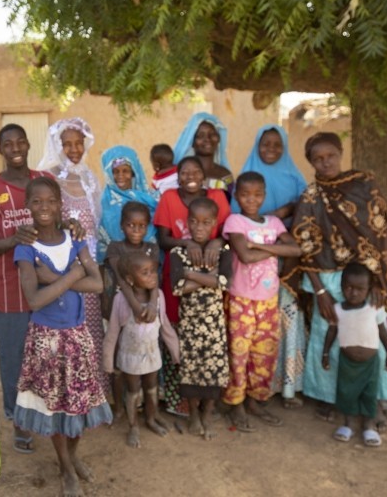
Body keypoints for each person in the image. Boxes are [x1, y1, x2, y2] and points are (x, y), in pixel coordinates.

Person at [291, 131, 387, 426]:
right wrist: (320, 292)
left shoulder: (365, 185)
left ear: (341, 153)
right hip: (327, 279)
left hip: (365, 278)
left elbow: (381, 235)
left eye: (330, 156)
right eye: (318, 159)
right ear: (311, 163)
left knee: (367, 337)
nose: (325, 163)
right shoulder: (312, 196)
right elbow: (304, 248)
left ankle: (373, 397)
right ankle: (330, 397)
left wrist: (377, 282)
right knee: (328, 338)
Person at [12, 177, 111, 497]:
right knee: (56, 409)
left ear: (60, 204)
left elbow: (98, 285)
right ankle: (66, 468)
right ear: (28, 207)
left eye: (50, 201)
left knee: (79, 405)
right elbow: (35, 300)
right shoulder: (26, 247)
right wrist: (72, 274)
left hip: (77, 334)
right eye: (36, 202)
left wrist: (52, 278)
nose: (44, 207)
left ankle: (73, 455)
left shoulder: (75, 237)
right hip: (46, 339)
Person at [0, 123, 55, 455]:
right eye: (9, 143)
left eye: (21, 141)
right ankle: (20, 423)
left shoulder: (44, 183)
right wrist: (13, 239)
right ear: (0, 148)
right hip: (9, 295)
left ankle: (47, 416)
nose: (16, 147)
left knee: (47, 359)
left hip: (49, 292)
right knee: (14, 363)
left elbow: (58, 226)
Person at [233, 125, 309, 409]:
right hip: (247, 278)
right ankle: (241, 397)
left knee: (278, 329)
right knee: (244, 341)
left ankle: (282, 385)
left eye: (278, 145)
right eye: (265, 144)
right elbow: (236, 227)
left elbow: (304, 205)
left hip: (284, 264)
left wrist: (280, 214)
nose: (271, 149)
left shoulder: (293, 176)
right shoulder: (247, 175)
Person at [221, 172, 301, 432]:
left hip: (268, 301)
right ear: (237, 196)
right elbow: (244, 256)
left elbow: (296, 250)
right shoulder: (235, 221)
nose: (251, 199)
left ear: (264, 195)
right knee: (239, 353)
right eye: (245, 194)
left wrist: (261, 247)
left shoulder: (275, 223)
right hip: (241, 299)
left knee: (264, 353)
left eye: (257, 194)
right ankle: (236, 404)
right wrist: (270, 248)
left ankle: (256, 400)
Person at [153, 156, 229, 416]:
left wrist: (217, 243)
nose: (190, 176)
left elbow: (224, 232)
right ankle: (177, 400)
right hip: (175, 272)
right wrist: (189, 244)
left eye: (196, 171)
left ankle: (205, 401)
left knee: (208, 344)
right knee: (176, 338)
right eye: (185, 172)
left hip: (207, 280)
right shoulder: (169, 199)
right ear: (178, 176)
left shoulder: (217, 196)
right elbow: (163, 240)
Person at [36, 117, 106, 392]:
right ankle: (67, 390)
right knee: (67, 329)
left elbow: (97, 224)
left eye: (79, 143)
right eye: (67, 144)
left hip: (90, 263)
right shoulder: (50, 178)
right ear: (57, 146)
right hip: (64, 264)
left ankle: (92, 392)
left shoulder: (90, 177)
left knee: (90, 329)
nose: (74, 150)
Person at [102, 252, 179, 449]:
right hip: (131, 357)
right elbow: (112, 332)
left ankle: (151, 418)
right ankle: (133, 425)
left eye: (153, 271)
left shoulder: (158, 297)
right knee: (133, 390)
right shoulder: (121, 299)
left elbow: (166, 327)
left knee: (152, 387)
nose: (153, 275)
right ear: (130, 279)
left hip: (152, 354)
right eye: (145, 273)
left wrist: (175, 352)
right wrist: (108, 362)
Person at [170, 197, 229, 440]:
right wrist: (209, 277)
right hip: (191, 325)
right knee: (190, 371)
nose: (199, 227)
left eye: (206, 222)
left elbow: (224, 283)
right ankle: (193, 414)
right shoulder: (178, 251)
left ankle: (207, 415)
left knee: (214, 372)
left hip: (215, 325)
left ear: (215, 223)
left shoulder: (222, 251)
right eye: (194, 221)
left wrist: (191, 274)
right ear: (187, 222)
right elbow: (176, 288)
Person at [322, 262, 387, 447]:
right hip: (347, 361)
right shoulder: (337, 310)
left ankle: (369, 427)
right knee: (347, 392)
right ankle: (348, 424)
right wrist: (325, 353)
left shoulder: (374, 308)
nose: (353, 293)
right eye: (348, 288)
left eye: (360, 289)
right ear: (341, 287)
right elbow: (331, 332)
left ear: (369, 289)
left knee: (369, 393)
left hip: (371, 362)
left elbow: (383, 332)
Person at [99, 145, 159, 254]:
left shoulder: (151, 198)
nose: (120, 176)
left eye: (125, 171)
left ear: (133, 172)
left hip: (150, 262)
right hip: (117, 262)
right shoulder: (104, 202)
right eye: (115, 171)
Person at [172, 112, 233, 190]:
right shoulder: (181, 174)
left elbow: (231, 201)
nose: (207, 139)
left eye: (212, 134)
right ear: (192, 142)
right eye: (201, 135)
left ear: (218, 138)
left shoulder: (225, 174)